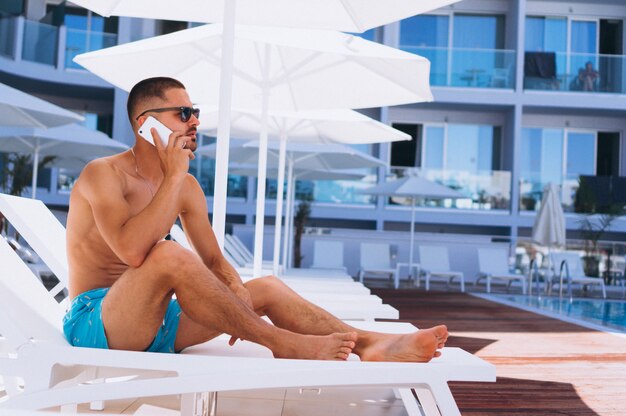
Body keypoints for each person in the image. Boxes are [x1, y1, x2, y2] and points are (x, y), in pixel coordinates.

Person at [64, 76, 448, 361]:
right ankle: (280, 343)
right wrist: (175, 175)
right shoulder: (104, 174)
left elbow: (215, 261)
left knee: (266, 287)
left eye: (195, 112)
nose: (195, 122)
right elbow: (133, 252)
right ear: (144, 123)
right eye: (183, 114)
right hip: (98, 323)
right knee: (166, 254)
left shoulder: (186, 185)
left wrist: (236, 291)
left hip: (160, 321)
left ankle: (371, 344)